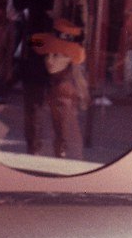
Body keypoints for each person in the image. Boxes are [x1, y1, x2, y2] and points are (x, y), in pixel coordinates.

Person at [28, 18, 89, 159]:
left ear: (69, 59)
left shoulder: (63, 90)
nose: (49, 60)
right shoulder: (55, 81)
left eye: (56, 55)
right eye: (47, 54)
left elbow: (62, 135)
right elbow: (30, 41)